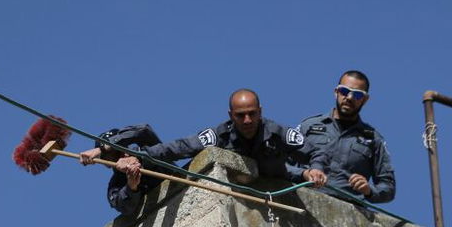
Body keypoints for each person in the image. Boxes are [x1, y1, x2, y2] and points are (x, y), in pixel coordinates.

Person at [112, 89, 327, 188]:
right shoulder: (220, 134)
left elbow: (315, 151)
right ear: (230, 116)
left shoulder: (278, 132)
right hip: (249, 187)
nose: (247, 120)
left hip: (280, 183)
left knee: (299, 174)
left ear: (260, 112)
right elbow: (180, 147)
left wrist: (316, 168)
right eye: (240, 115)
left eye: (252, 113)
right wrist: (138, 156)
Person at [294, 71, 395, 203]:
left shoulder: (373, 139)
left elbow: (388, 187)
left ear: (365, 99)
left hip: (348, 212)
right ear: (336, 92)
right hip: (304, 202)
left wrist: (368, 190)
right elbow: (283, 164)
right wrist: (305, 174)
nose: (349, 97)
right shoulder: (308, 126)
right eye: (344, 91)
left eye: (357, 94)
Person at [76, 124, 163, 215]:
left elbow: (144, 130)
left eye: (120, 147)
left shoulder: (148, 152)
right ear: (106, 163)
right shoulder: (116, 184)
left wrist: (104, 149)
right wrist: (131, 187)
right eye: (113, 155)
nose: (122, 155)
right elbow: (123, 206)